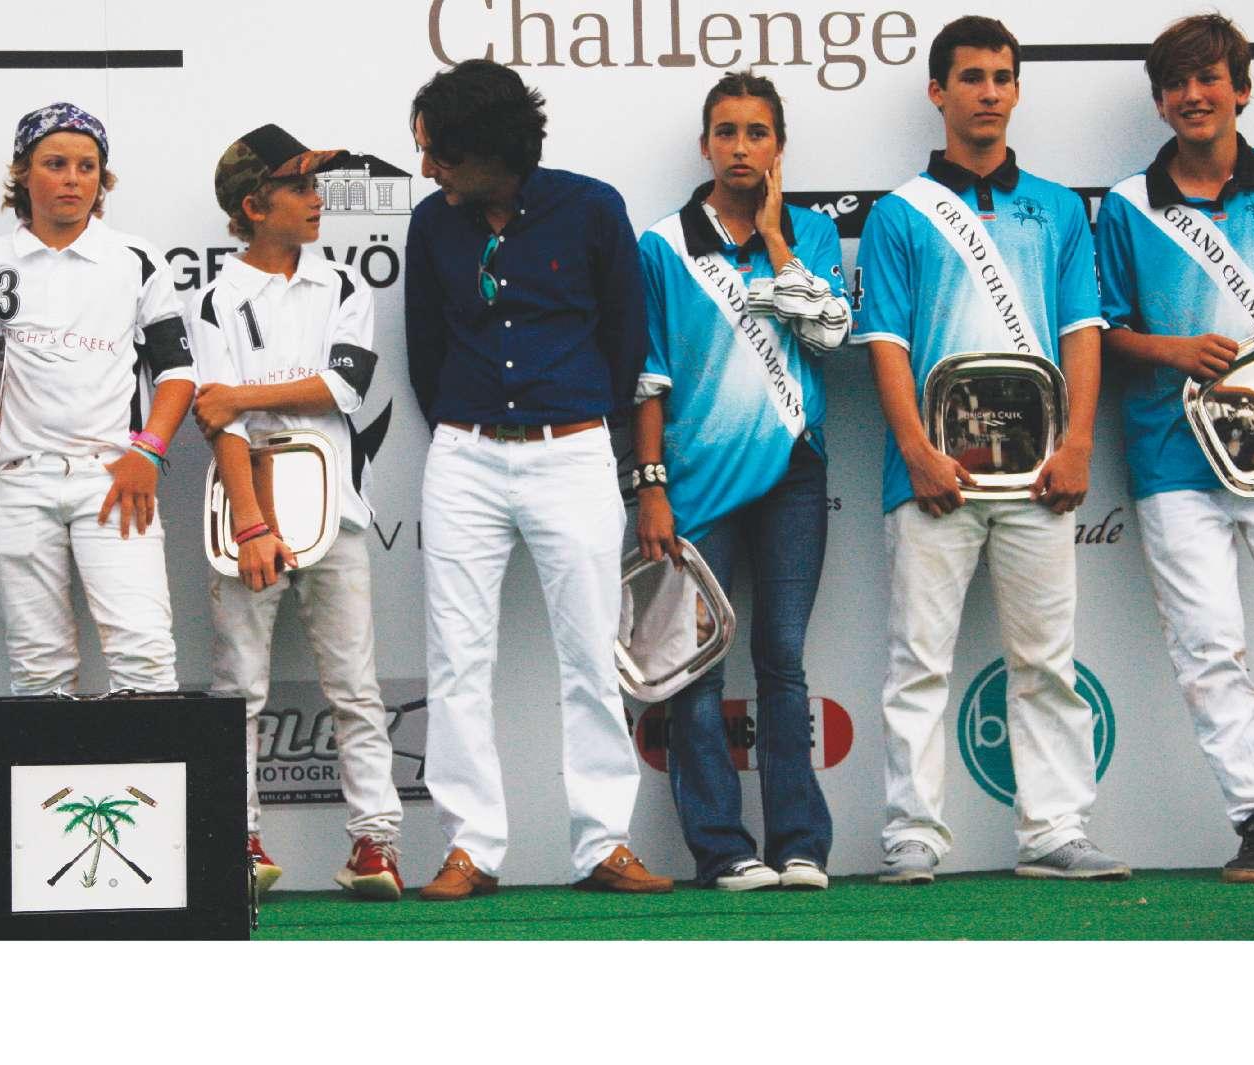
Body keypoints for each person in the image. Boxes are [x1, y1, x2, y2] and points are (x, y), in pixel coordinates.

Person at [851, 16, 1130, 884]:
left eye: (1002, 77)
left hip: (1041, 474)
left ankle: (1054, 830)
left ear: (1016, 89)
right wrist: (916, 450)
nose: (989, 92)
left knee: (1046, 660)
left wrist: (1077, 442)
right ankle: (913, 834)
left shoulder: (1060, 209)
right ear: (938, 91)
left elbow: (1082, 331)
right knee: (918, 662)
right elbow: (886, 342)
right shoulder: (899, 213)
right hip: (934, 474)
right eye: (971, 77)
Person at [404, 58, 670, 898]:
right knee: (456, 658)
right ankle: (470, 848)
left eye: (439, 153)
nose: (427, 168)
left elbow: (626, 341)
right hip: (465, 456)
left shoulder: (591, 208)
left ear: (489, 149)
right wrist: (468, 423)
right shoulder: (431, 224)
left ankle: (604, 844)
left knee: (591, 653)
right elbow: (424, 350)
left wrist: (578, 416)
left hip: (573, 450)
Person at [1095, 13, 1254, 882]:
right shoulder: (1127, 206)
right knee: (1209, 641)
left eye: (1209, 79)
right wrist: (1171, 350)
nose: (1192, 95)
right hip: (1171, 454)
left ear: (1242, 89)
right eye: (1175, 83)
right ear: (1160, 101)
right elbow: (1104, 331)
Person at [632, 71, 850, 891]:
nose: (741, 147)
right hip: (695, 483)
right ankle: (723, 849)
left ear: (779, 147)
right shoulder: (662, 245)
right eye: (726, 132)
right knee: (698, 665)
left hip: (793, 475)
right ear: (704, 145)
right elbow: (647, 378)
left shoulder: (812, 235)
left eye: (758, 133)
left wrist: (776, 239)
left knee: (782, 657)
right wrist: (651, 487)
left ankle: (800, 844)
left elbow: (830, 335)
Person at [190, 123, 405, 901]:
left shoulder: (343, 285)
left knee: (355, 684)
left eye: (316, 185)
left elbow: (341, 388)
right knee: (240, 686)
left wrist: (243, 395)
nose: (318, 200)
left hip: (333, 504)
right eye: (300, 187)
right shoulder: (212, 297)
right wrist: (252, 524)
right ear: (254, 205)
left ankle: (375, 843)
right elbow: (218, 423)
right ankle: (240, 839)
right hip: (245, 504)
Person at [0, 103, 195, 696]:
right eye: (55, 164)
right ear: (22, 173)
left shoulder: (135, 259)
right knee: (40, 671)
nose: (72, 179)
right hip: (17, 481)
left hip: (112, 477)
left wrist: (149, 453)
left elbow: (178, 371)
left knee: (144, 657)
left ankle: (146, 766)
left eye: (87, 167)